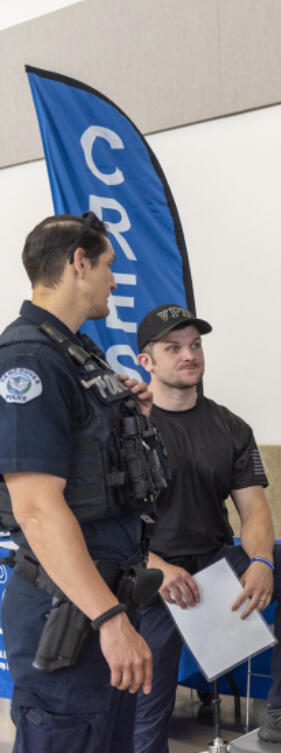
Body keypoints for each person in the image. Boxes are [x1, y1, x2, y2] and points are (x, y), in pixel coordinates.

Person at [131, 304, 281, 750]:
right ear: (146, 361)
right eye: (173, 348)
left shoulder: (229, 426)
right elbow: (105, 523)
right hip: (149, 574)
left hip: (214, 563)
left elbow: (254, 510)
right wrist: (156, 567)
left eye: (195, 345)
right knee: (145, 724)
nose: (189, 355)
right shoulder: (127, 425)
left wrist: (262, 560)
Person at [0, 212, 166, 753]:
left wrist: (127, 414)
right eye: (108, 266)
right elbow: (38, 510)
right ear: (79, 263)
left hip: (103, 601)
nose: (114, 281)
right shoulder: (29, 360)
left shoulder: (78, 354)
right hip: (71, 616)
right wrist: (110, 619)